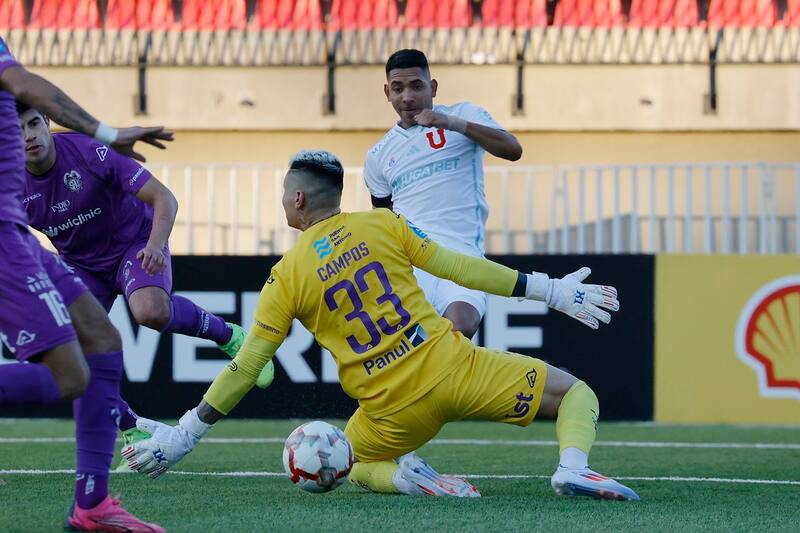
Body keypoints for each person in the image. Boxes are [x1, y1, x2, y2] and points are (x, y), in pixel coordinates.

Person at [121, 150, 638, 502]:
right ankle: (572, 467)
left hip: (390, 413)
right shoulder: (384, 225)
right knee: (576, 395)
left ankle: (408, 479)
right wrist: (550, 290)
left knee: (348, 460)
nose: (282, 202)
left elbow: (247, 365)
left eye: (284, 194)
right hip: (457, 371)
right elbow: (462, 268)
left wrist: (185, 435)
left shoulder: (286, 276)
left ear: (298, 200)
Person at [17, 103, 275, 468]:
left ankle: (231, 336)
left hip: (134, 243)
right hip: (80, 266)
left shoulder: (90, 151)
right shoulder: (9, 182)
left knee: (150, 310)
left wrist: (155, 245)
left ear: (47, 123)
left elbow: (164, 197)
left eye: (33, 124)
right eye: (16, 130)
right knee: (68, 355)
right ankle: (133, 428)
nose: (28, 136)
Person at [0, 37, 168, 530]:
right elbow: (25, 83)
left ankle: (91, 506)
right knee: (72, 377)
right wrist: (106, 131)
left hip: (14, 231)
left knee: (101, 340)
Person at [364, 48, 523, 341]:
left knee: (463, 323)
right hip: (413, 260)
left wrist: (452, 124)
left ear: (433, 87)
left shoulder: (463, 115)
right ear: (387, 92)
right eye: (398, 89)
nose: (407, 97)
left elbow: (513, 150)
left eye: (416, 86)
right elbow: (382, 219)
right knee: (400, 345)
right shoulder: (378, 155)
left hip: (461, 253)